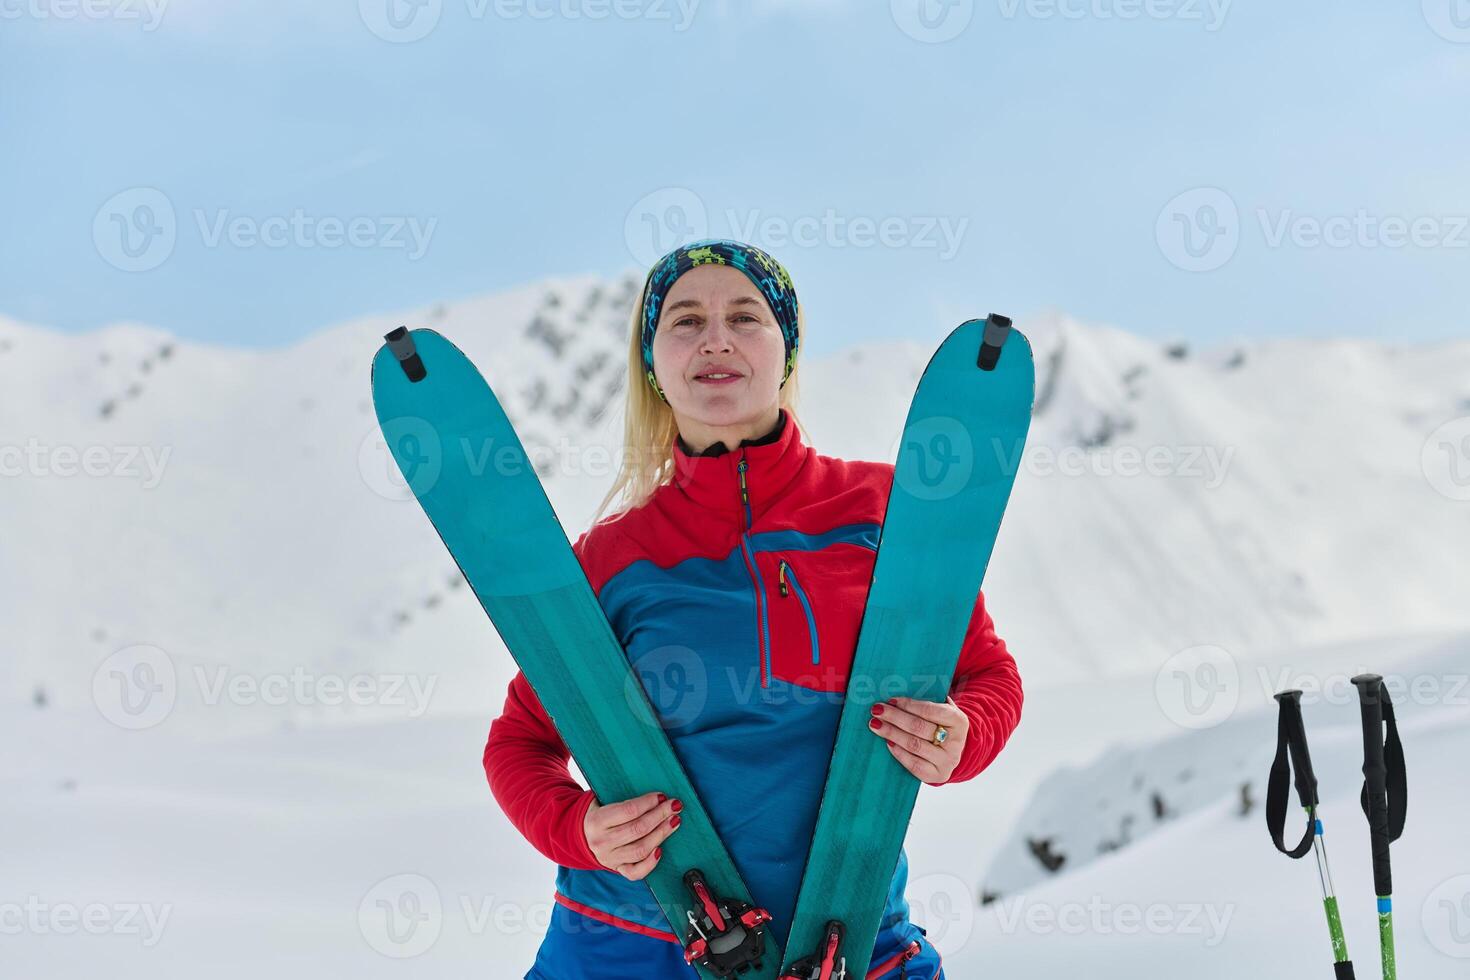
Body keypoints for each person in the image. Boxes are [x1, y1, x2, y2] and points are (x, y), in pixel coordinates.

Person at [484, 239, 1022, 979]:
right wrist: (579, 830)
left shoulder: (884, 513)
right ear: (653, 364)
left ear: (787, 351)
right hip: (623, 949)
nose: (716, 338)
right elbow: (519, 744)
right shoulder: (610, 559)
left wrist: (966, 736)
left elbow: (988, 675)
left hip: (843, 944)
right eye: (685, 320)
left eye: (746, 316)